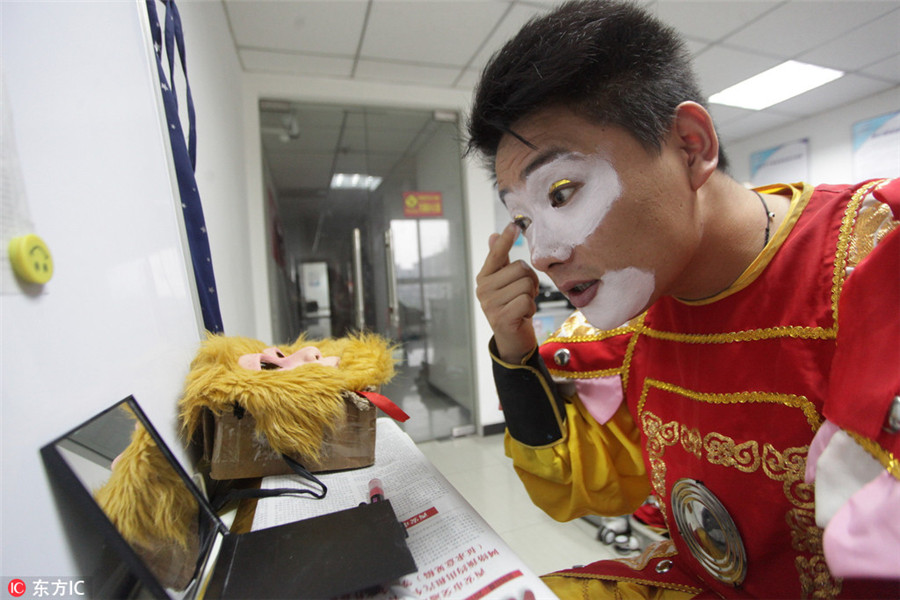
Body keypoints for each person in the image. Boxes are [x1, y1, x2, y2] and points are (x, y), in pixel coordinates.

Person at [466, 1, 900, 598]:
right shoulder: (622, 326)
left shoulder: (875, 262)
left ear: (690, 147)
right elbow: (578, 485)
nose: (541, 254)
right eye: (522, 218)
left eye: (561, 193)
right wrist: (514, 350)